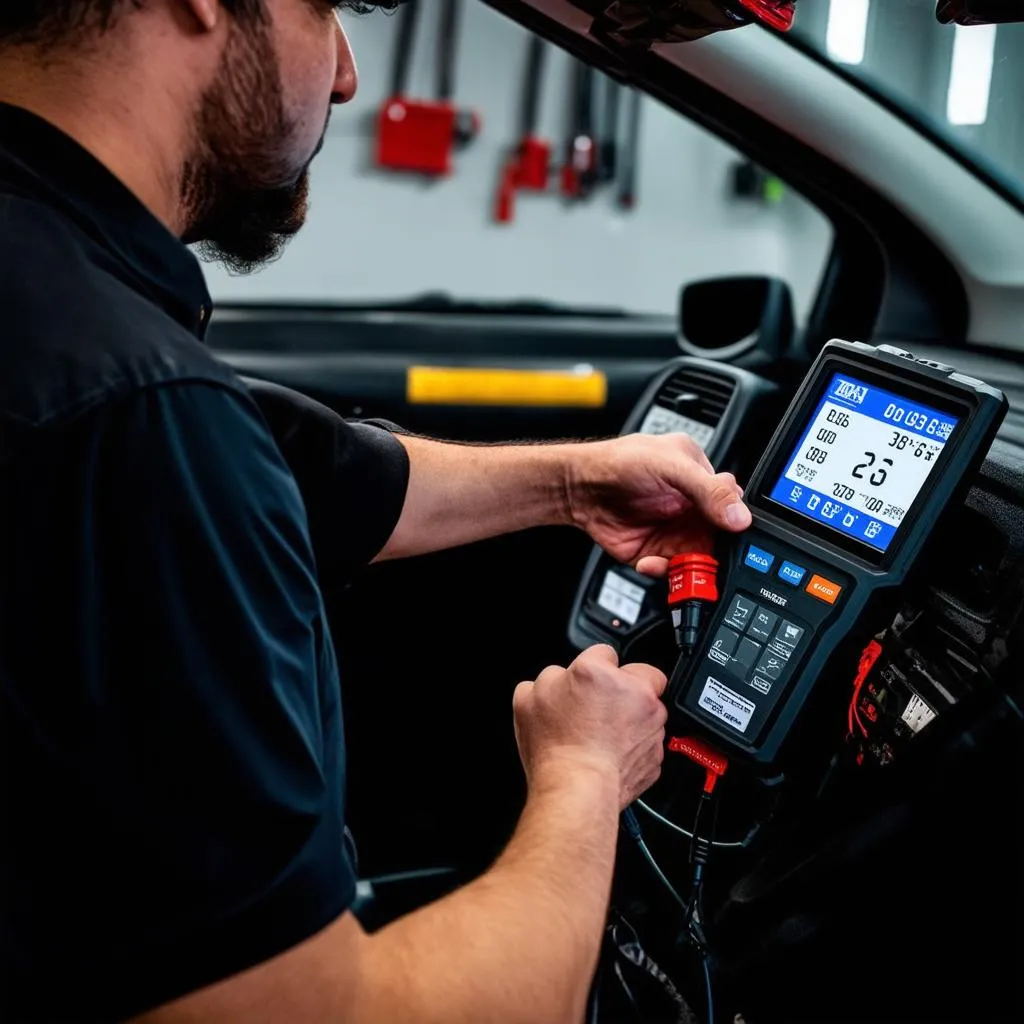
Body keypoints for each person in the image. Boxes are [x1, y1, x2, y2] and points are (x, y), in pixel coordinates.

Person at [0, 3, 752, 1022]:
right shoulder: (130, 417)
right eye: (329, 9)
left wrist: (574, 483)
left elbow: (304, 465)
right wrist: (582, 776)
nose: (348, 78)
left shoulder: (56, 303)